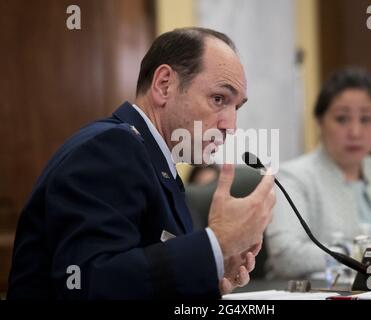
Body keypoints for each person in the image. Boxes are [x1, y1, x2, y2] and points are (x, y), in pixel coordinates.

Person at [7, 27, 276, 299]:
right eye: (219, 99)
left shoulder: (155, 160)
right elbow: (90, 284)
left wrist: (213, 269)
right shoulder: (110, 148)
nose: (230, 125)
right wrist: (215, 245)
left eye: (236, 107)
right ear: (164, 85)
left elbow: (143, 277)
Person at [265, 67, 371, 279]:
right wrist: (364, 253)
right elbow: (286, 256)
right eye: (342, 119)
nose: (355, 132)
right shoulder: (293, 177)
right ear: (320, 122)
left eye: (366, 119)